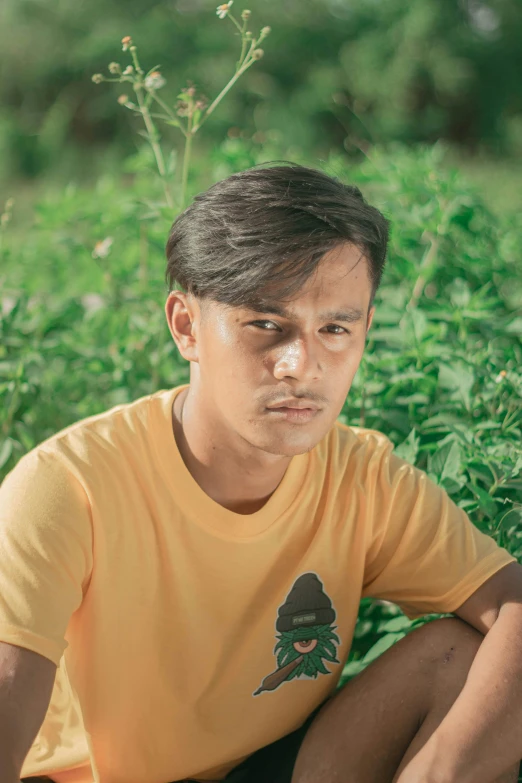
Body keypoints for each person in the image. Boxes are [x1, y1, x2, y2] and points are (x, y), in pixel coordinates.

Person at [1, 163, 521, 783]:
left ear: (366, 330)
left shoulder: (364, 480)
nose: (301, 365)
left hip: (269, 769)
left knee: (458, 657)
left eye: (335, 328)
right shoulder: (68, 486)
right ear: (186, 326)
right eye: (267, 325)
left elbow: (511, 602)